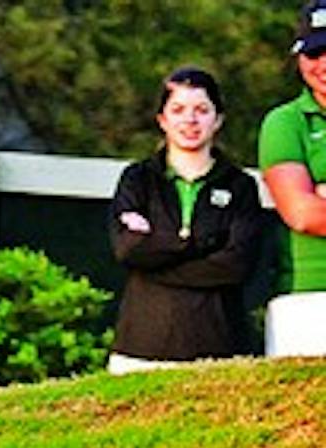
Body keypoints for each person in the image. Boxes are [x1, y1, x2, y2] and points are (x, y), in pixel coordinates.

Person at [107, 67, 265, 372]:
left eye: (201, 110)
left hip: (220, 349)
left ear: (218, 119)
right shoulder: (138, 180)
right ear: (162, 120)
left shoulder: (240, 186)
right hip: (140, 349)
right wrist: (198, 244)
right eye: (178, 110)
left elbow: (237, 265)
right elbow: (128, 249)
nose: (190, 120)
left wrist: (157, 259)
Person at [258, 0, 326, 357]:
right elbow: (302, 212)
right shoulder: (284, 123)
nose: (324, 64)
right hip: (309, 299)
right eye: (314, 53)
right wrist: (312, 200)